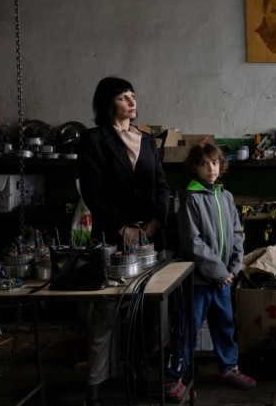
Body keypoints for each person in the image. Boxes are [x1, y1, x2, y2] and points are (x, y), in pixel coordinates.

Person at [78, 76, 170, 406]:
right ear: (108, 103)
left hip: (149, 238)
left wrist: (155, 222)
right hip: (111, 237)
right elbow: (92, 191)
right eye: (122, 97)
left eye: (133, 96)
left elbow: (161, 186)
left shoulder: (146, 141)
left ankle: (139, 374)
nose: (131, 101)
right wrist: (121, 228)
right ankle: (96, 385)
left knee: (148, 310)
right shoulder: (93, 140)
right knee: (105, 311)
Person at [163, 143, 256, 403]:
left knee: (225, 326)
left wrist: (234, 268)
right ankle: (171, 379)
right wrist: (219, 272)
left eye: (215, 163)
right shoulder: (190, 198)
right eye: (204, 164)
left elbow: (237, 234)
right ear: (194, 168)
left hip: (224, 280)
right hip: (200, 281)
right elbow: (193, 243)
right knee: (187, 330)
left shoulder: (225, 196)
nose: (211, 169)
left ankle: (229, 368)